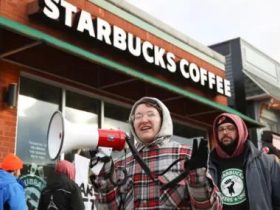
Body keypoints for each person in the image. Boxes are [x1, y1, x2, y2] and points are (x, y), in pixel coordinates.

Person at [92, 97, 222, 209]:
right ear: (133, 123)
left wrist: (198, 178)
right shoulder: (120, 164)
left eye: (150, 114)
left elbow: (211, 208)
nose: (144, 120)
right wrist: (104, 174)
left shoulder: (185, 155)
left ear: (163, 120)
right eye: (138, 116)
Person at [209, 113, 280, 210]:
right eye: (221, 129)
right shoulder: (209, 165)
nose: (225, 132)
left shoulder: (267, 162)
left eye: (230, 128)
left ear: (240, 131)